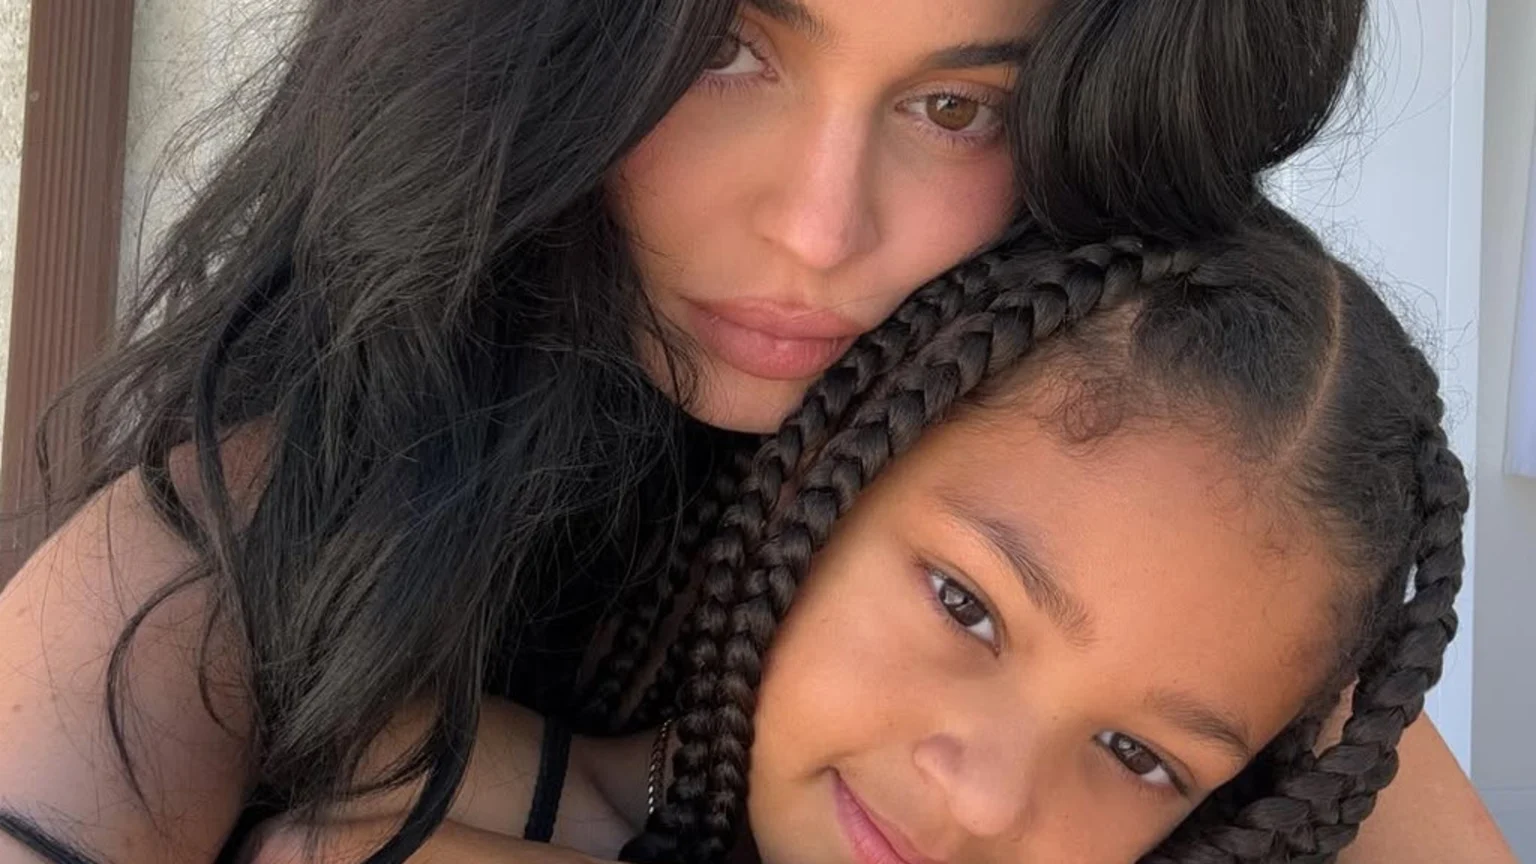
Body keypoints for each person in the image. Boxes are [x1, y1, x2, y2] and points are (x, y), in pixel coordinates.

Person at [0, 0, 1512, 862]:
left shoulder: (1167, 572)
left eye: (960, 109)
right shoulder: (232, 551)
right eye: (727, 46)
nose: (814, 227)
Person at [246, 207, 1506, 864]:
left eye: (1139, 752)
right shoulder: (436, 790)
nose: (988, 797)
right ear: (817, 490)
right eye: (969, 607)